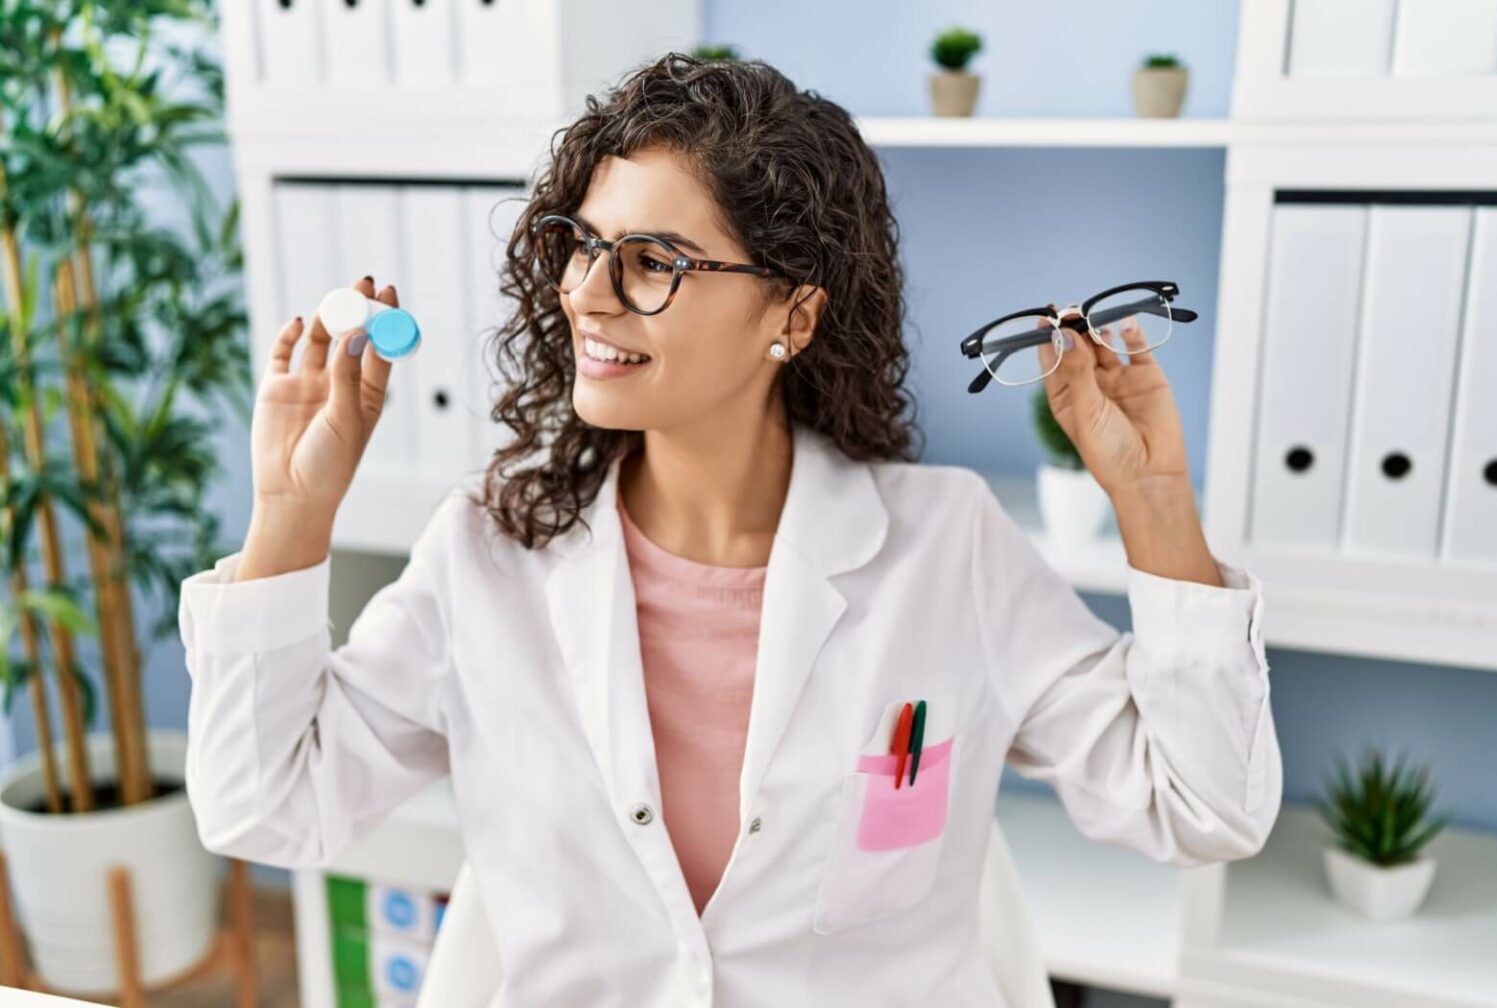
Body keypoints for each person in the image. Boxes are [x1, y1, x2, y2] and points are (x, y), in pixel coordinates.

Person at [179, 52, 1280, 1007]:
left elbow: (1203, 809)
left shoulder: (949, 548)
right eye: (582, 245)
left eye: (654, 261)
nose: (590, 296)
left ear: (793, 313)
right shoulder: (489, 553)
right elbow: (263, 808)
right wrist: (290, 513)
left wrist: (1154, 502)